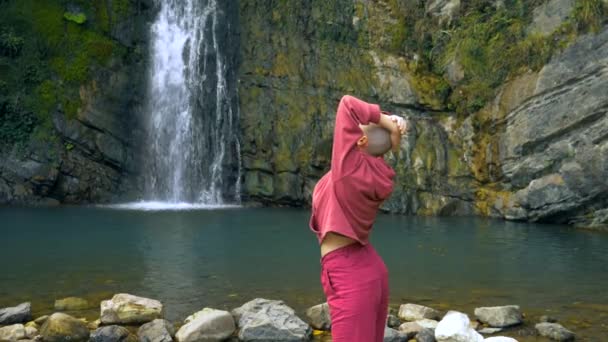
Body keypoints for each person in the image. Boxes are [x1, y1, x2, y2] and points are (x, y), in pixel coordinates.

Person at [309, 94, 406, 341]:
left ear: (360, 140)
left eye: (359, 128)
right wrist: (393, 126)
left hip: (348, 273)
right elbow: (378, 143)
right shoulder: (378, 171)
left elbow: (347, 104)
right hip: (370, 268)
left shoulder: (348, 170)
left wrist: (383, 121)